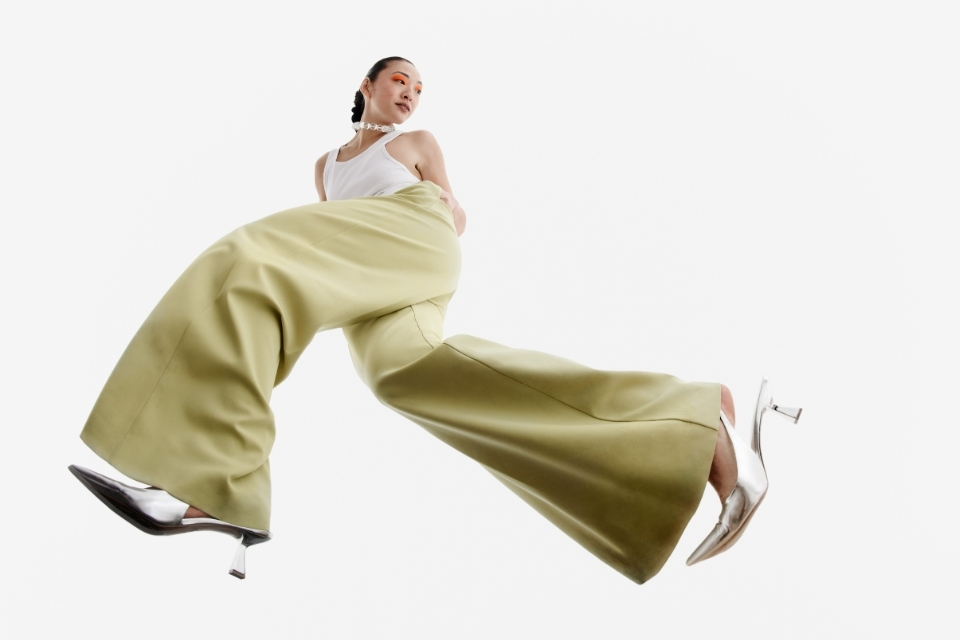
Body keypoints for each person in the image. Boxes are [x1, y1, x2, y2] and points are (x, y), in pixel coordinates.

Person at [69, 56, 802, 583]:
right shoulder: (325, 167)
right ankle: (695, 424)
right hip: (368, 267)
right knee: (400, 376)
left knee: (247, 259)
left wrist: (445, 205)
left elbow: (455, 210)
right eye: (399, 82)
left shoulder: (414, 145)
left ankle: (208, 474)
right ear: (364, 86)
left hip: (414, 239)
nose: (411, 96)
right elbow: (329, 246)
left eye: (418, 89)